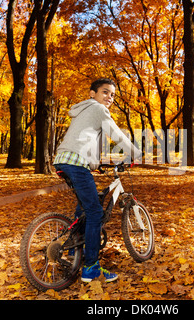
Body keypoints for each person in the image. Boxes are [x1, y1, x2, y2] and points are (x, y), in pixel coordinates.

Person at [53, 78, 141, 283]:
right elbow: (116, 134)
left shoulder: (84, 111)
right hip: (75, 163)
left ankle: (75, 252)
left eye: (112, 95)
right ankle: (91, 268)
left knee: (83, 208)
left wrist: (95, 164)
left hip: (63, 161)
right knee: (95, 213)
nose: (109, 97)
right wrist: (136, 153)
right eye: (105, 92)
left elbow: (85, 139)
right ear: (92, 94)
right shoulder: (98, 109)